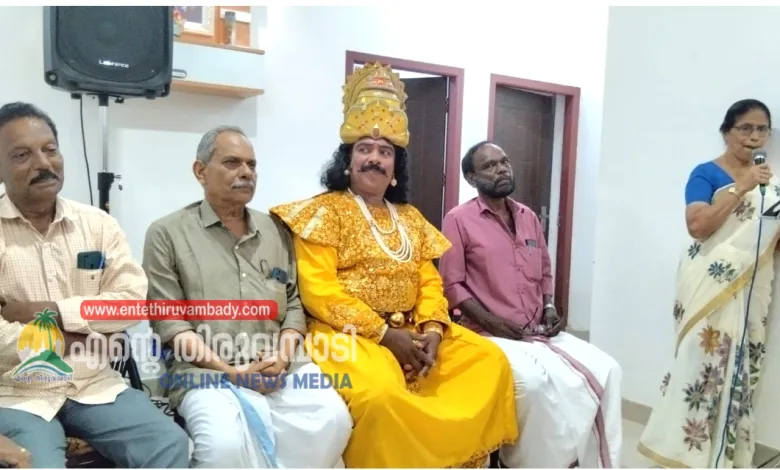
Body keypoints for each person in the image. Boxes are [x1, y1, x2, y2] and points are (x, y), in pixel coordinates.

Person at [269, 62, 519, 468]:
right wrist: (384, 334)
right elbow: (319, 292)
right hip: (348, 335)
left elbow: (429, 282)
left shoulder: (410, 218)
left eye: (385, 152)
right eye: (364, 150)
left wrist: (433, 329)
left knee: (488, 362)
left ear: (395, 168)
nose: (375, 159)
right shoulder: (324, 212)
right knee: (382, 396)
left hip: (414, 330)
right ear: (347, 161)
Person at [144, 125, 352, 468]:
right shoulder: (167, 233)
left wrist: (282, 357)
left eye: (251, 165)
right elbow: (170, 323)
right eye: (232, 163)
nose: (246, 173)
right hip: (205, 373)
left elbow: (294, 304)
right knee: (223, 447)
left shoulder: (275, 229)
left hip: (279, 367)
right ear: (200, 171)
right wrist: (232, 372)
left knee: (333, 420)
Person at [0, 102, 189, 468]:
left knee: (169, 443)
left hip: (94, 385)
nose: (43, 163)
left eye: (50, 149)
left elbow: (130, 303)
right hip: (16, 392)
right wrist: (79, 339)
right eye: (22, 155)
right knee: (35, 464)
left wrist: (48, 312)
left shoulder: (98, 225)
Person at [440, 141, 623, 468]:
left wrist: (550, 307)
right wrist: (491, 321)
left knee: (608, 369)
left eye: (504, 161)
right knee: (536, 384)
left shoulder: (528, 217)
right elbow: (452, 285)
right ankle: (525, 463)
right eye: (489, 166)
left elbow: (545, 271)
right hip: (488, 333)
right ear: (471, 178)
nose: (501, 169)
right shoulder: (459, 219)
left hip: (537, 331)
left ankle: (593, 461)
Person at [638, 99, 780, 468]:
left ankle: (725, 454)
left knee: (742, 367)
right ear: (726, 132)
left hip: (750, 287)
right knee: (697, 365)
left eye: (762, 129)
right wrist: (742, 186)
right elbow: (698, 227)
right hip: (707, 281)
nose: (754, 136)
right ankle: (684, 452)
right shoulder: (706, 173)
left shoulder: (771, 185)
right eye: (745, 128)